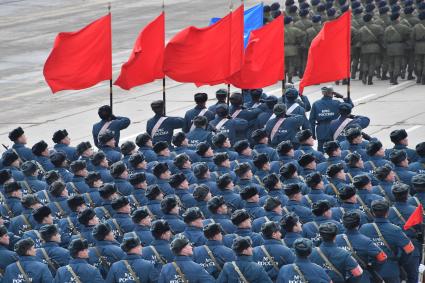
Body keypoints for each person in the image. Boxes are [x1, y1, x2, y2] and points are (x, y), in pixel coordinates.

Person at [359, 200, 415, 283]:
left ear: (373, 213)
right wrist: (400, 262)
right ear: (387, 212)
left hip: (372, 272)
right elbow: (409, 250)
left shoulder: (364, 228)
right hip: (391, 270)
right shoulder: (395, 229)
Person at [335, 211, 388, 283]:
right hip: (361, 278)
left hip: (342, 277)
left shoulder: (336, 240)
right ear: (358, 224)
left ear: (343, 224)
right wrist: (373, 266)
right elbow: (382, 257)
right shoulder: (365, 241)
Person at [388, 183, 421, 283]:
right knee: (412, 277)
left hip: (392, 249)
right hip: (412, 248)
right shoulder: (415, 210)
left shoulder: (387, 211)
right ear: (407, 195)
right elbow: (421, 229)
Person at [309, 86, 353, 152]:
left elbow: (311, 120)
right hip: (335, 128)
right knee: (335, 150)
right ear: (332, 93)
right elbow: (350, 106)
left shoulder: (316, 104)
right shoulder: (337, 103)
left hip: (321, 130)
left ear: (322, 93)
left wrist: (313, 133)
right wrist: (342, 97)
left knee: (321, 151)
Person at [359, 13, 384, 85]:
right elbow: (381, 38)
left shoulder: (361, 29)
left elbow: (358, 39)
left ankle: (364, 75)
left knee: (365, 63)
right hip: (374, 47)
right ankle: (370, 80)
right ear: (371, 19)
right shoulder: (378, 27)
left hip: (364, 48)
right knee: (372, 64)